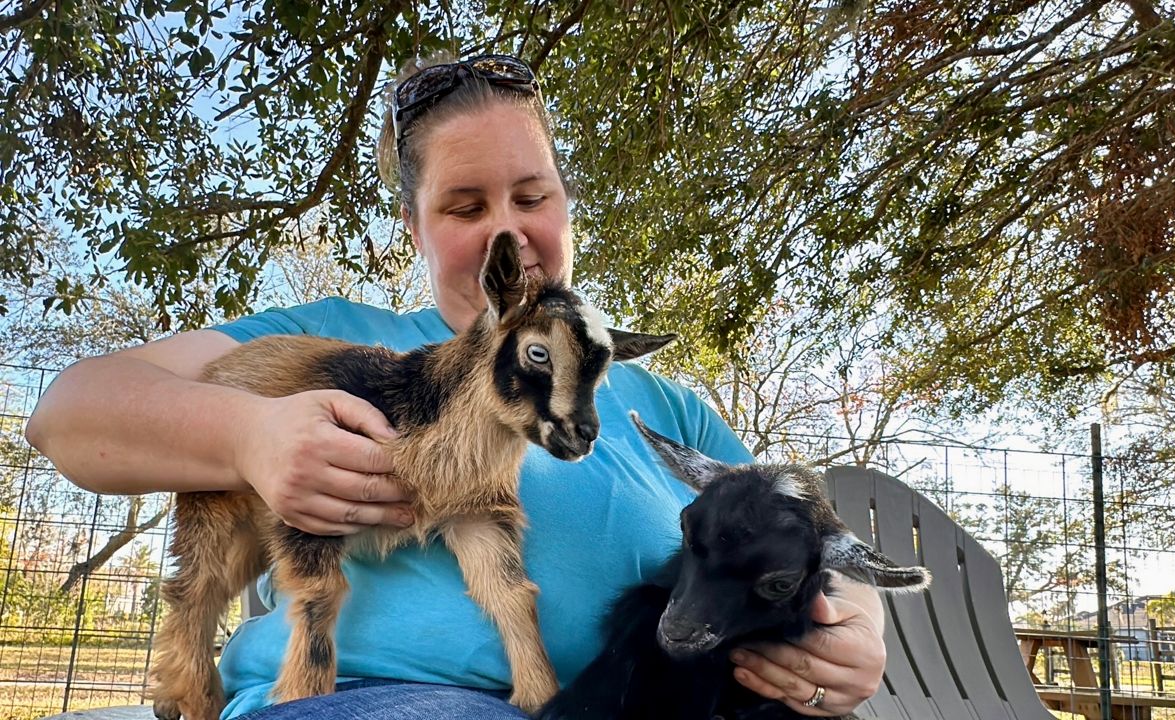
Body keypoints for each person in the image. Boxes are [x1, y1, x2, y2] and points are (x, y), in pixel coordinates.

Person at [24, 52, 887, 719]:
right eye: (466, 207)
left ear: (565, 209)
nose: (506, 230)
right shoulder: (339, 343)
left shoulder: (667, 408)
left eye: (530, 195)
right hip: (371, 698)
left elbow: (803, 541)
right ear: (415, 229)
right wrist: (249, 435)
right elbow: (68, 414)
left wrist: (853, 632)